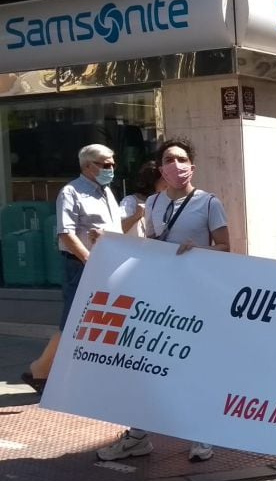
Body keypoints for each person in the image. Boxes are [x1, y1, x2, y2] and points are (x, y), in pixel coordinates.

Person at [97, 138, 230, 463]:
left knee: (192, 367)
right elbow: (152, 245)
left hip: (195, 299)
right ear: (160, 168)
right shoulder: (153, 205)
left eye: (182, 159)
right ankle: (139, 435)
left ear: (192, 167)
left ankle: (201, 435)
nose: (176, 165)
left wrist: (199, 252)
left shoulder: (209, 203)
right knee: (151, 366)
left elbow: (226, 246)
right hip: (160, 298)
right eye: (170, 159)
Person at [23, 144, 124, 393]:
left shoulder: (106, 192)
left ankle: (75, 373)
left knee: (103, 319)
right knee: (74, 321)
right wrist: (89, 260)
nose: (111, 169)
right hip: (81, 266)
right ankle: (40, 370)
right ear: (88, 166)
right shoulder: (71, 192)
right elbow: (66, 233)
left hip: (108, 264)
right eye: (105, 164)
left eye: (112, 163)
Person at [118, 160, 165, 237]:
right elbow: (120, 229)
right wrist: (137, 215)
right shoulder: (130, 201)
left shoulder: (163, 201)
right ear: (153, 180)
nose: (168, 181)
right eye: (164, 178)